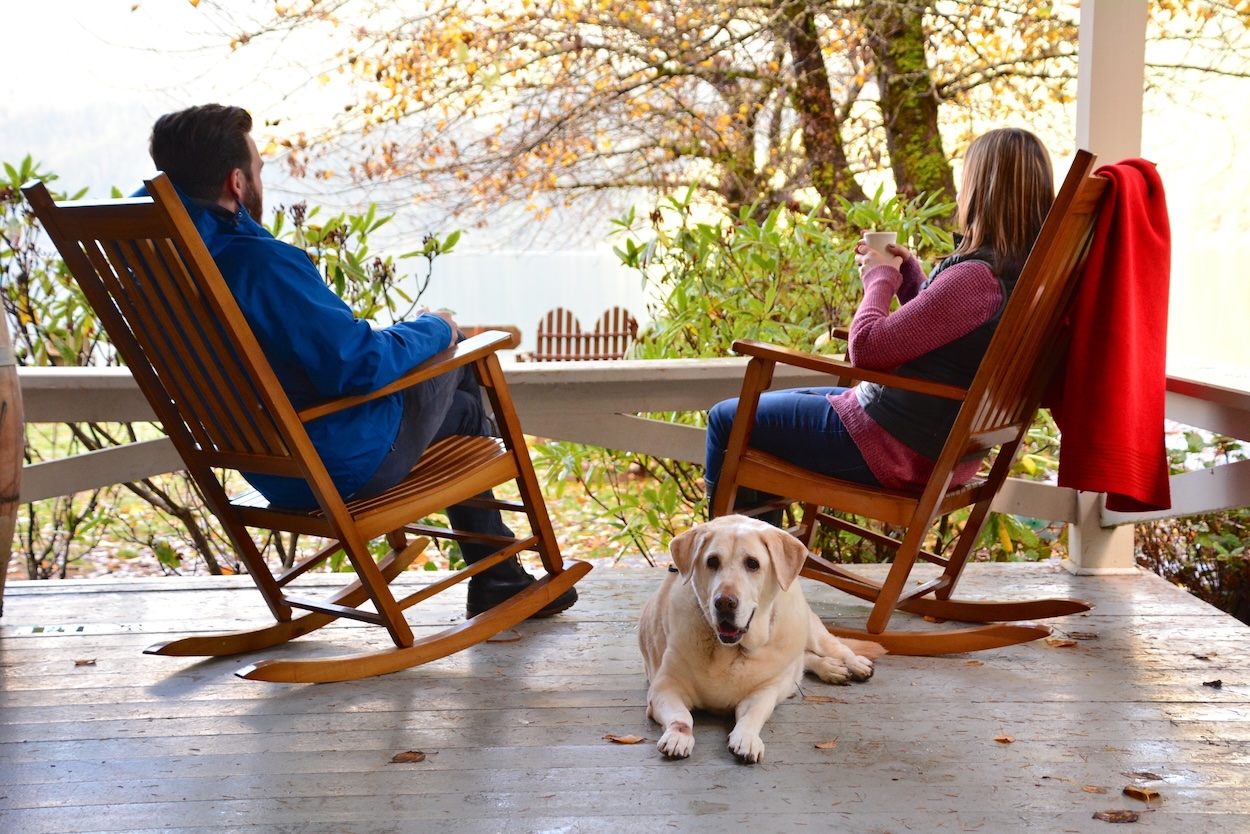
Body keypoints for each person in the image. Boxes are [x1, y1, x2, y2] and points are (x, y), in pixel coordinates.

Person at [144, 103, 575, 618]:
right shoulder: (258, 264)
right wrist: (440, 326)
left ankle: (499, 575)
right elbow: (357, 366)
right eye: (259, 171)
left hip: (265, 470)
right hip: (340, 464)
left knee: (459, 412)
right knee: (460, 359)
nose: (261, 181)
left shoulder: (157, 264)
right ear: (237, 182)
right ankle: (497, 573)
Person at [705, 127, 1055, 511]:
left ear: (981, 191)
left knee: (729, 419)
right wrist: (912, 281)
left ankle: (728, 565)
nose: (959, 193)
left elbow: (867, 350)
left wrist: (880, 278)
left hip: (896, 449)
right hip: (938, 448)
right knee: (762, 417)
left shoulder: (976, 278)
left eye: (965, 181)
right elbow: (953, 339)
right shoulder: (1024, 276)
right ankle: (756, 562)